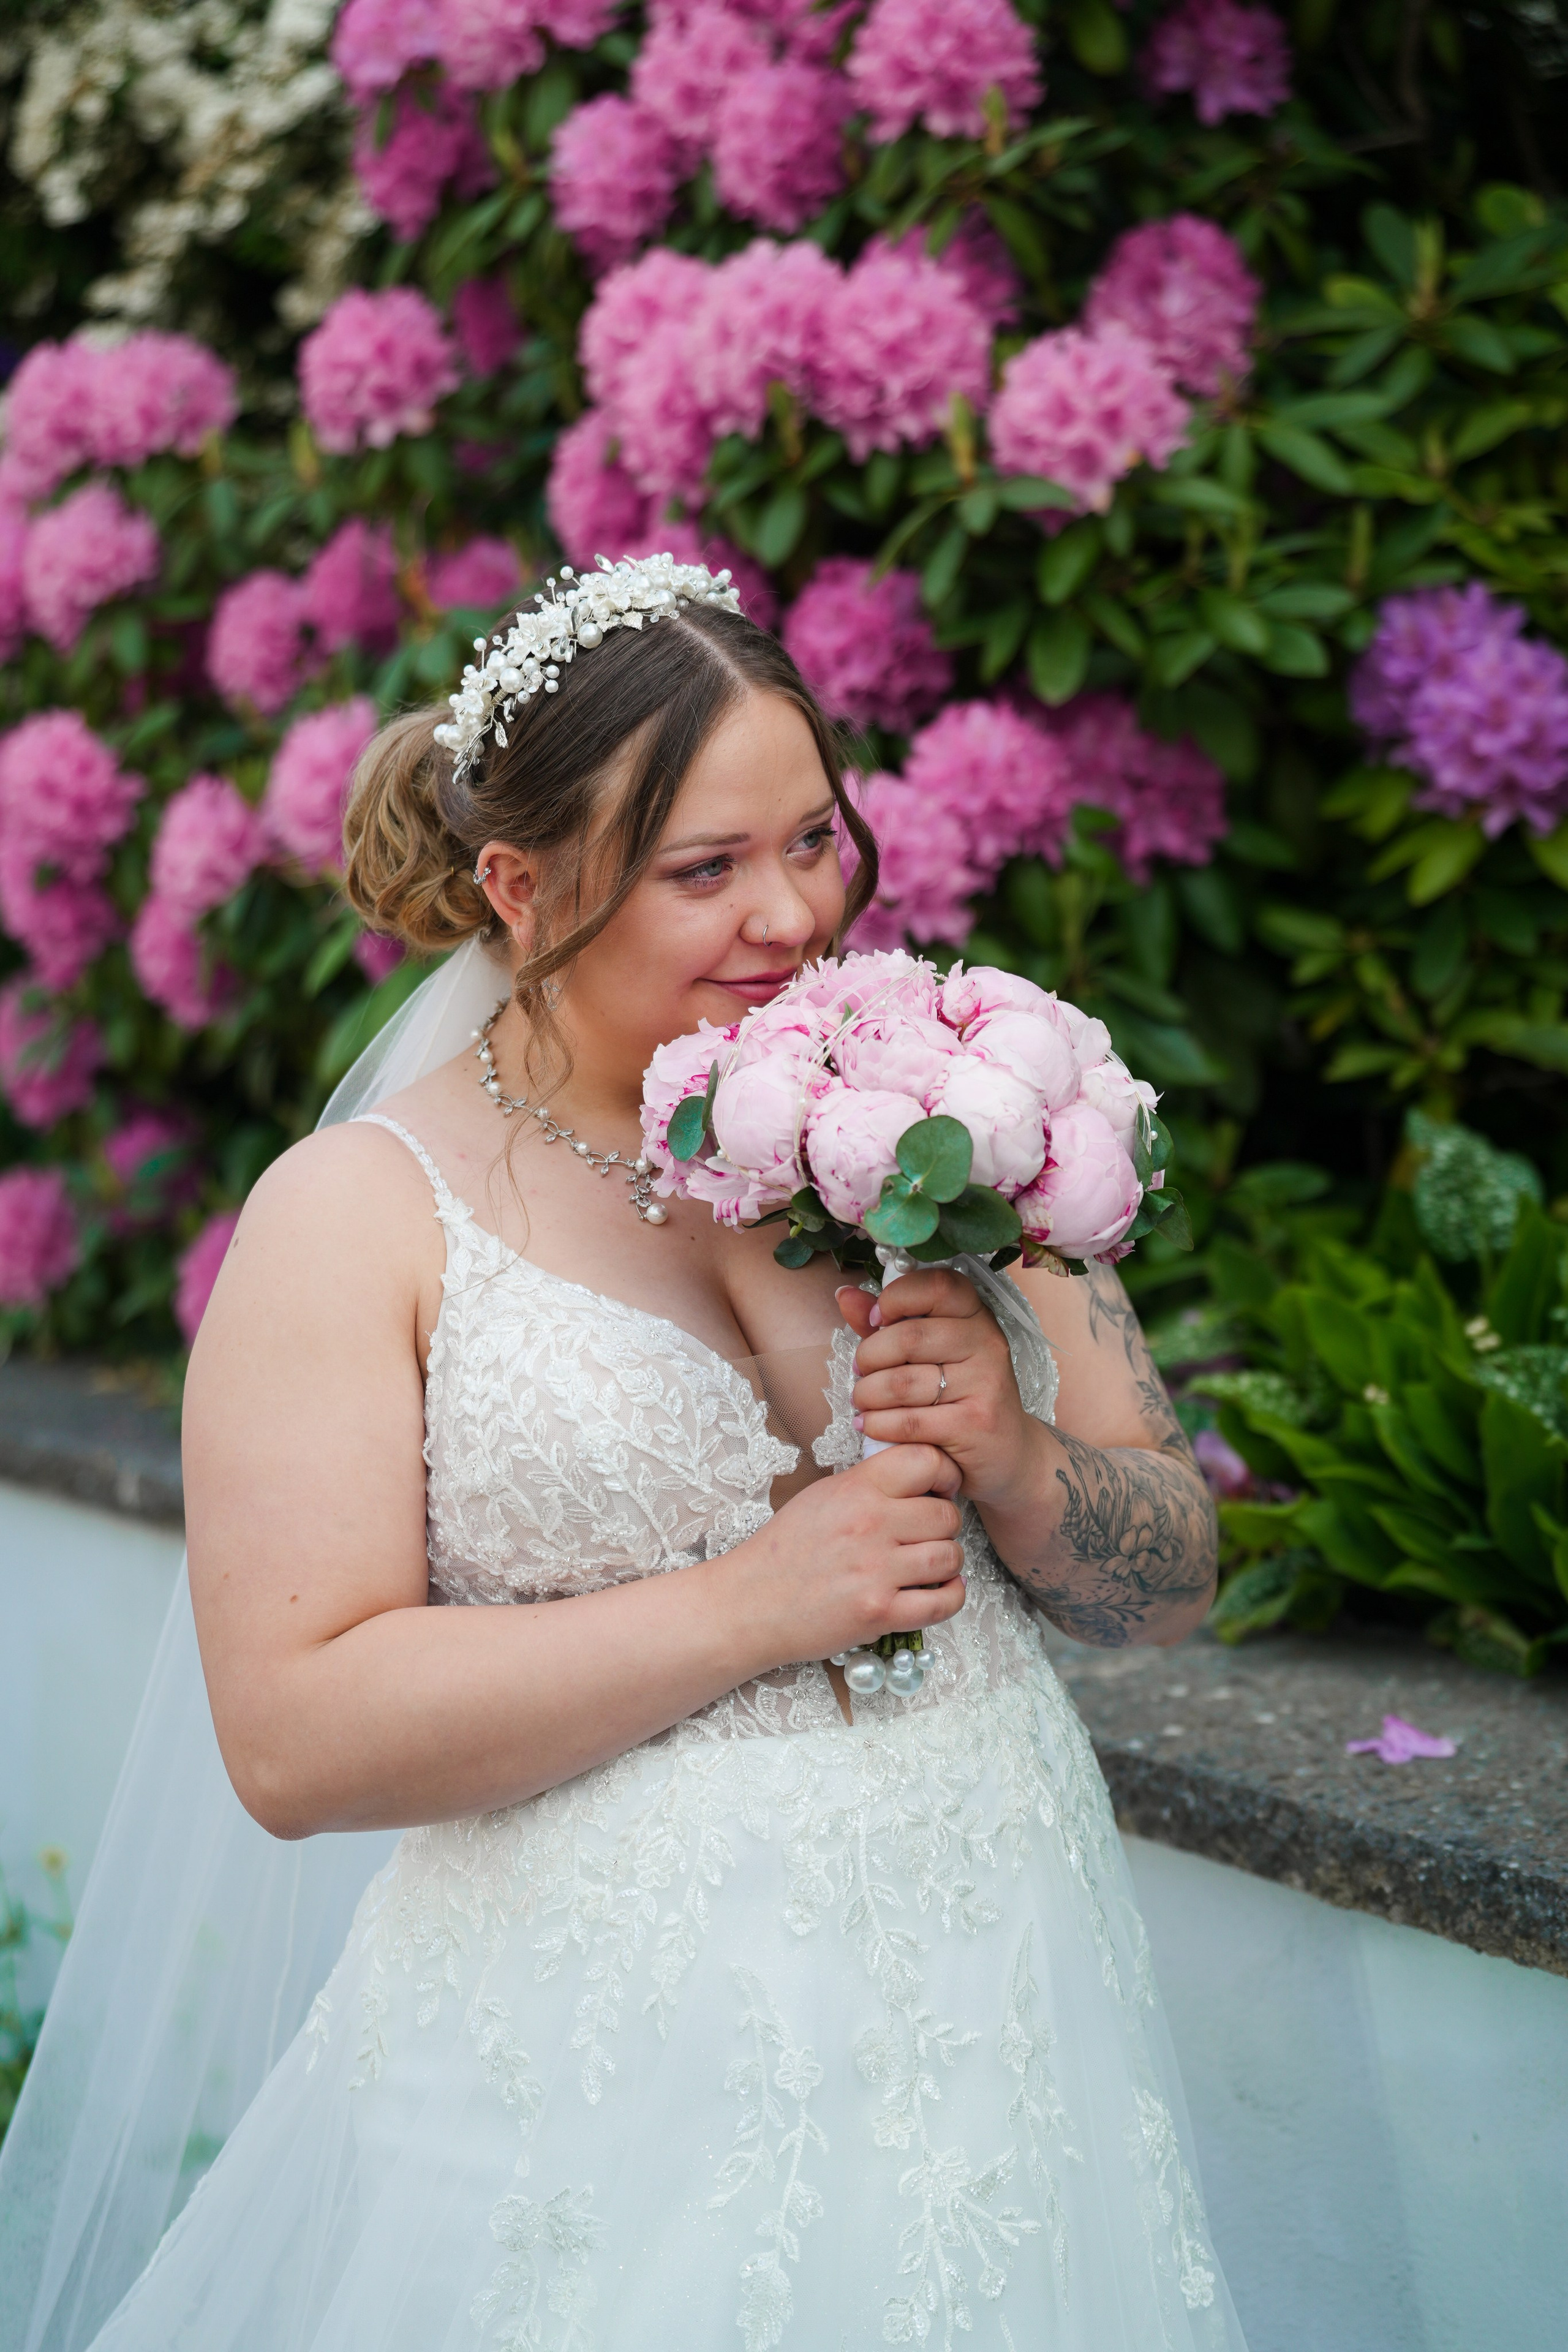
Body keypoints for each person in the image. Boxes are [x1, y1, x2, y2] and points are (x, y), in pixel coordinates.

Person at [6, 557, 1243, 2351]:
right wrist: (754, 1605)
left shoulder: (952, 1112)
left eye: (816, 840)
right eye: (704, 870)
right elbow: (292, 1735)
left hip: (998, 2019)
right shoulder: (361, 1218)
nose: (792, 915)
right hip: (585, 2089)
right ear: (519, 888)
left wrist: (1018, 1460)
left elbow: (1171, 1589)